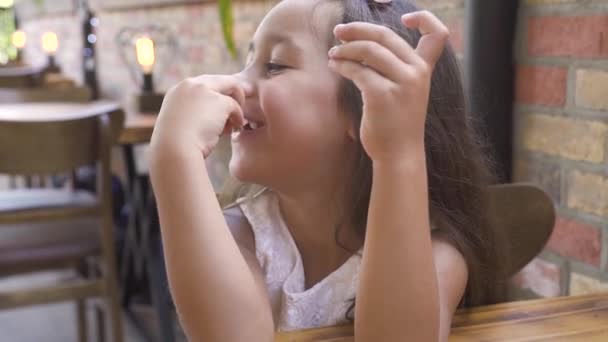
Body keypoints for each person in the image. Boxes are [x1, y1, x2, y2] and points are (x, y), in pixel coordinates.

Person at [149, 0, 508, 340]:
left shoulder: (437, 251)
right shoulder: (240, 233)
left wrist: (398, 152)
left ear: (366, 105)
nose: (238, 86)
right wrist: (175, 158)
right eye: (248, 62)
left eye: (274, 65)